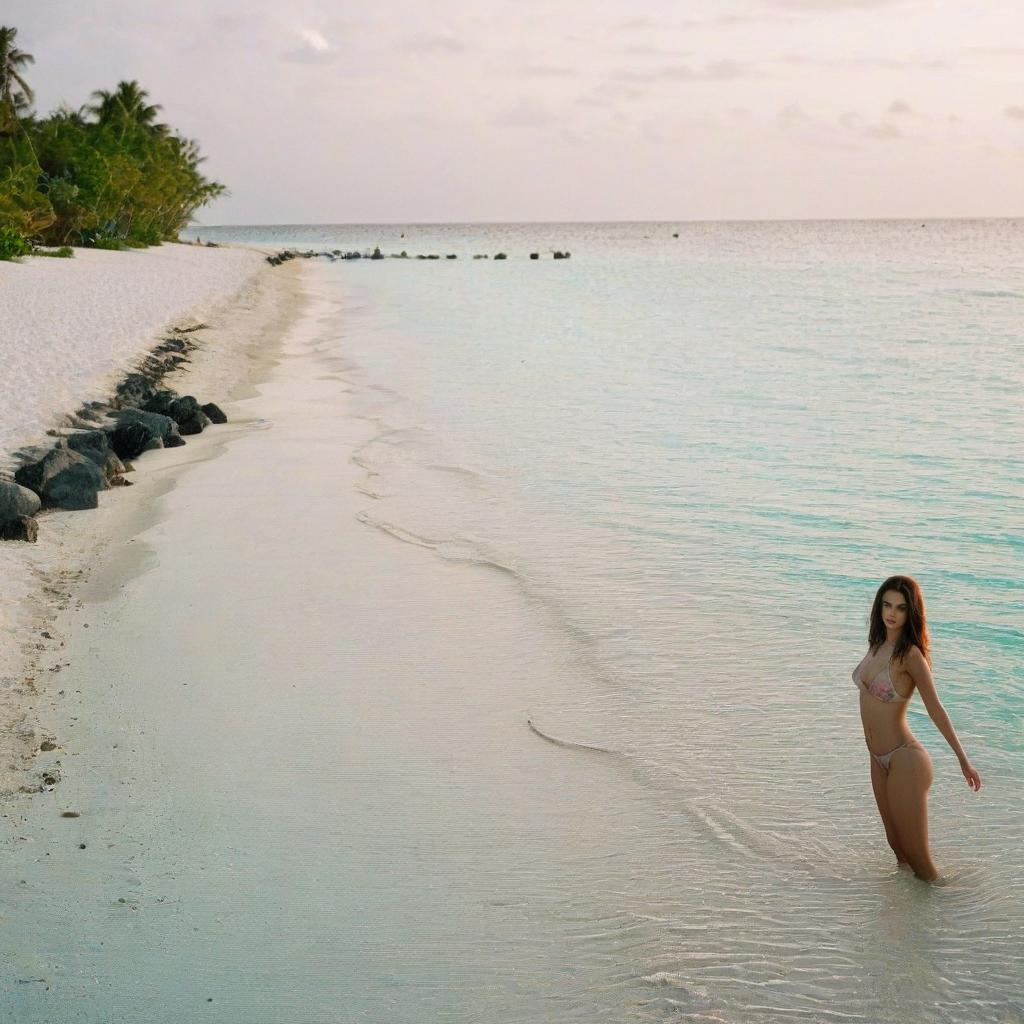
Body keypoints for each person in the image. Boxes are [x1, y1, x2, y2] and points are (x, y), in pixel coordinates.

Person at [852, 575, 981, 880]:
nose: (892, 613)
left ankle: (947, 918)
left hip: (904, 760)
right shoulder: (877, 645)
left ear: (912, 613)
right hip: (877, 759)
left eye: (900, 607)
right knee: (897, 848)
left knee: (921, 862)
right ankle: (904, 919)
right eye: (886, 605)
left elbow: (935, 708)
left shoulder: (910, 655)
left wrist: (963, 761)